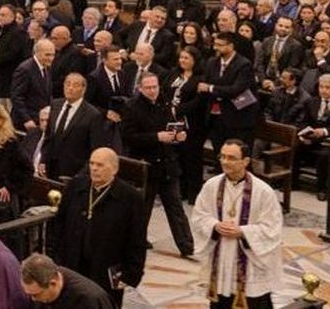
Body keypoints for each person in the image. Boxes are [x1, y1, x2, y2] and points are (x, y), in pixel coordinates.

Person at [189, 139, 284, 309]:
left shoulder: (263, 191)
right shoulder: (211, 185)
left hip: (250, 264)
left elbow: (272, 228)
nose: (225, 162)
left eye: (232, 158)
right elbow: (199, 215)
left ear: (245, 161)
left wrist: (243, 232)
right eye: (222, 156)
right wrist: (214, 225)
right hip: (221, 258)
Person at [50, 148, 148, 306]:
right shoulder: (76, 186)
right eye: (92, 163)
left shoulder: (130, 198)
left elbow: (137, 240)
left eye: (100, 165)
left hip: (107, 269)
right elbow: (58, 224)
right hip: (73, 264)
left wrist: (130, 275)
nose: (94, 168)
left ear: (114, 169)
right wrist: (55, 257)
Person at [120, 72, 196, 257]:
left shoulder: (165, 102)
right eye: (148, 88)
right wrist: (156, 137)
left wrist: (178, 135)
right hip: (146, 165)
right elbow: (128, 136)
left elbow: (172, 124)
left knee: (175, 206)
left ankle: (186, 245)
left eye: (155, 87)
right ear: (140, 88)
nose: (152, 91)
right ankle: (137, 241)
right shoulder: (131, 107)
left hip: (168, 163)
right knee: (143, 209)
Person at [41, 73, 107, 180]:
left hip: (74, 171)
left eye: (75, 85)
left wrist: (81, 175)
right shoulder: (55, 104)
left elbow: (95, 149)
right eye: (67, 84)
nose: (70, 88)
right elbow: (48, 136)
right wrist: (43, 160)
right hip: (50, 167)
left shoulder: (93, 115)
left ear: (83, 89)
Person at [19, 253, 116, 309]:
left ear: (53, 283)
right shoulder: (44, 287)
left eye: (36, 295)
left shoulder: (89, 301)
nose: (33, 299)